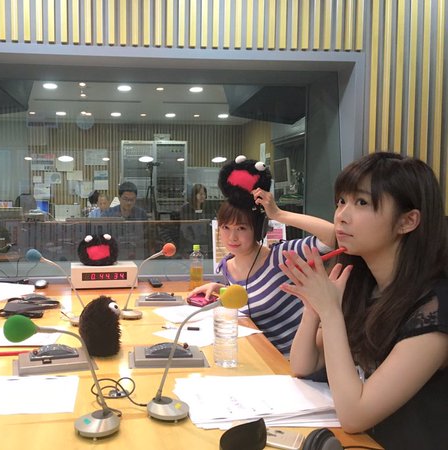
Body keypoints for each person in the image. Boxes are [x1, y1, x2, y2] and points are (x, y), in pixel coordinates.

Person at [280, 153, 447, 449]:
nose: (341, 216)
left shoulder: (434, 306)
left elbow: (354, 416)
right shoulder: (363, 283)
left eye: (361, 202)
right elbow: (303, 365)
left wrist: (330, 312)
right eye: (341, 201)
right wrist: (313, 306)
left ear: (407, 221)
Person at [188, 191, 336, 355]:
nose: (232, 237)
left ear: (259, 230)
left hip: (296, 360)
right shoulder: (227, 267)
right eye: (226, 228)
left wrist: (278, 214)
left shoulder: (281, 256)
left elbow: (332, 237)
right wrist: (221, 288)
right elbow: (251, 294)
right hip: (263, 355)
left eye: (241, 228)